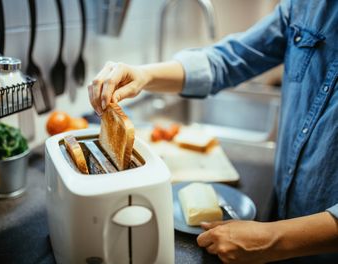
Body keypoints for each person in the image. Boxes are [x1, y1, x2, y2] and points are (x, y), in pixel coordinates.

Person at [88, 1, 338, 263]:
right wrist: (143, 75)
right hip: (281, 215)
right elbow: (229, 59)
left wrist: (273, 238)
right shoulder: (306, 5)